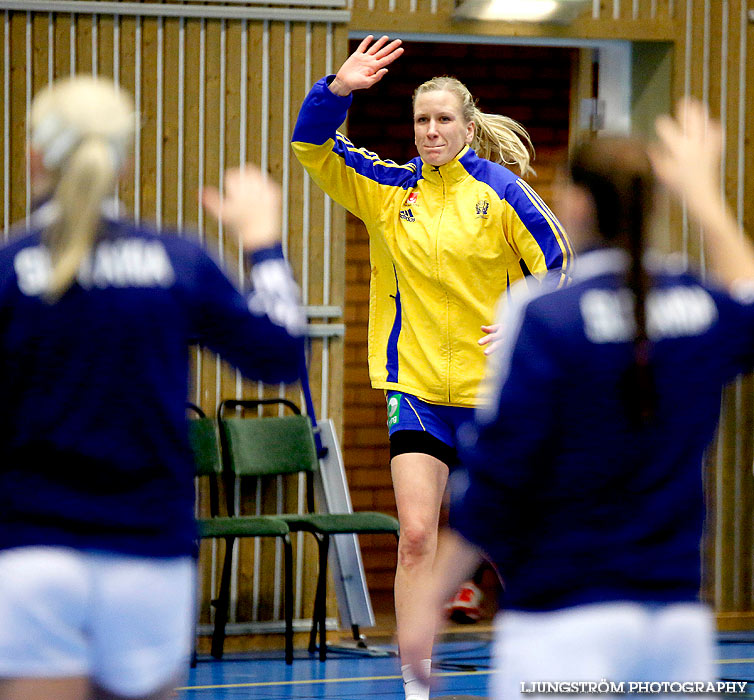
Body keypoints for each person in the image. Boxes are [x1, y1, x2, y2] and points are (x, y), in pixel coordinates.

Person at [400, 99, 754, 697]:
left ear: (579, 204)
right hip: (675, 624)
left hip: (564, 621)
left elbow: (500, 472)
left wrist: (435, 591)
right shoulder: (696, 303)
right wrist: (704, 195)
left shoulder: (546, 315)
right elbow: (747, 302)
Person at [0, 76, 304, 700]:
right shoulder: (177, 261)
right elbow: (280, 353)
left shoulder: (8, 267)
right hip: (149, 552)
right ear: (126, 162)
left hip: (31, 552)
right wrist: (263, 243)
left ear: (35, 156)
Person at [291, 34, 572, 700]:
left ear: (467, 128)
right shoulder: (387, 190)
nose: (432, 129)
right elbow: (311, 147)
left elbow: (560, 267)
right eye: (422, 119)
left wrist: (523, 317)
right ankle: (415, 682)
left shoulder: (501, 192)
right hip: (414, 388)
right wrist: (336, 91)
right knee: (417, 534)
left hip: (493, 394)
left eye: (444, 119)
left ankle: (550, 650)